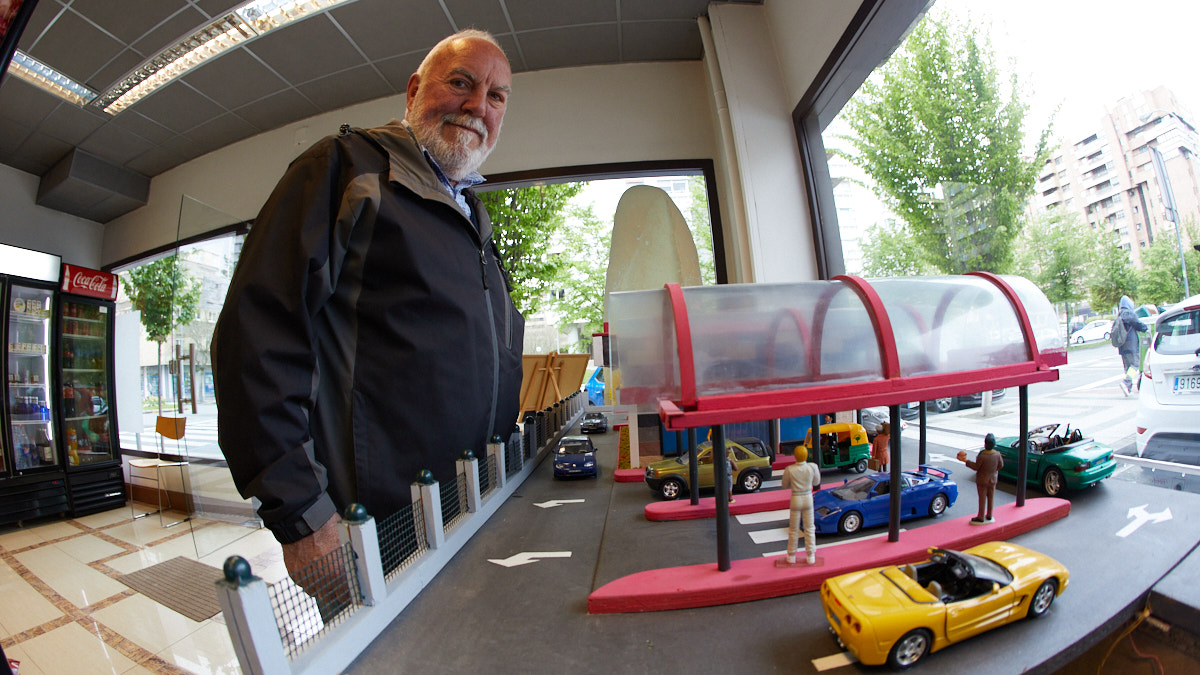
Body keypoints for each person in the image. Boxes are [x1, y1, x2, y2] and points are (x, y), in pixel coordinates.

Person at [212, 29, 524, 579]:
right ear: (413, 91)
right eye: (461, 83)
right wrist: (302, 514)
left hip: (471, 511)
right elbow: (255, 338)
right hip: (374, 529)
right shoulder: (347, 169)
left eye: (496, 96)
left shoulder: (472, 216)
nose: (478, 105)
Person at [778, 444, 821, 566]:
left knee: (793, 528)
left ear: (795, 456)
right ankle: (810, 555)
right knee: (809, 528)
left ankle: (791, 555)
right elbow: (817, 482)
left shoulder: (790, 469)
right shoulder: (812, 467)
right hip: (807, 497)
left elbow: (784, 485)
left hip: (796, 497)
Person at [957, 433, 1004, 524]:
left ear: (985, 444)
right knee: (991, 497)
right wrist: (994, 471)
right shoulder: (997, 454)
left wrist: (966, 461)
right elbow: (1001, 465)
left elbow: (976, 467)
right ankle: (989, 515)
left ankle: (981, 516)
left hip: (982, 480)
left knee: (982, 498)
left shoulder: (982, 456)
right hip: (993, 479)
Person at [1115, 295, 1148, 396]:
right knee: (1134, 365)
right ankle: (1126, 382)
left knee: (1127, 367)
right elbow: (1138, 324)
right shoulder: (1129, 314)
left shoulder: (1119, 315)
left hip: (1122, 346)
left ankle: (1128, 389)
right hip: (1131, 345)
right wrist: (1145, 328)